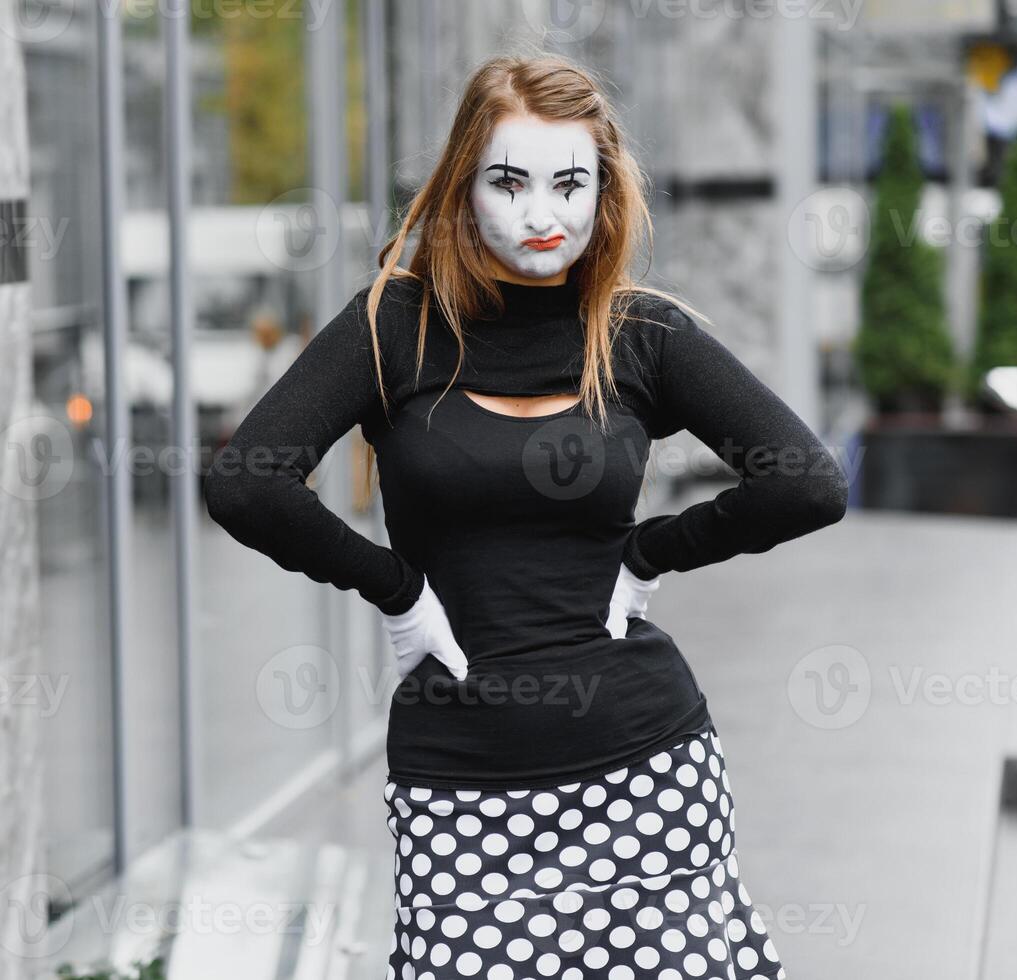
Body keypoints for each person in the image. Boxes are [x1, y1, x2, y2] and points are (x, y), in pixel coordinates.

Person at [204, 53, 846, 980]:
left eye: (568, 183)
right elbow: (246, 482)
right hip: (460, 778)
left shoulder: (640, 333)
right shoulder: (395, 327)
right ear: (463, 188)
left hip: (645, 769)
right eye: (509, 183)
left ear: (604, 190)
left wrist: (653, 553)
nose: (542, 215)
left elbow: (808, 482)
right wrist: (396, 590)